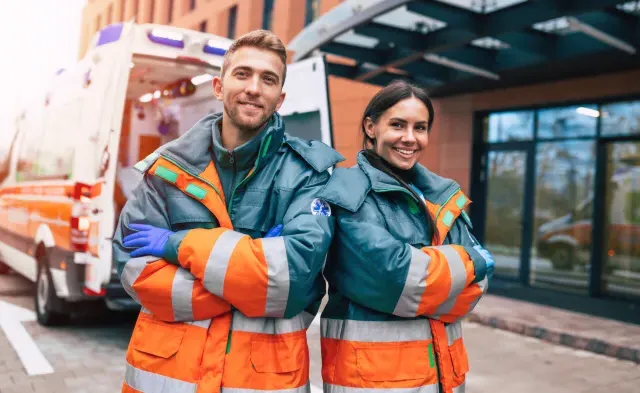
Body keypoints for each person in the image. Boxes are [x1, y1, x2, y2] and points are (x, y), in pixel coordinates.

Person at [113, 29, 343, 393]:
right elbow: (132, 267)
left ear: (279, 98)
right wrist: (250, 275)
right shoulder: (170, 167)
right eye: (243, 74)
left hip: (260, 380)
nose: (254, 87)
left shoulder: (308, 174)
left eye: (268, 79)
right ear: (219, 87)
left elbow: (294, 280)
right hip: (168, 378)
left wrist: (179, 245)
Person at [316, 80, 494, 393]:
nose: (410, 138)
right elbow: (399, 279)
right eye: (398, 125)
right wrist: (471, 262)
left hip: (444, 378)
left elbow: (476, 287)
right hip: (373, 381)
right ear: (371, 127)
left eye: (420, 127)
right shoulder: (349, 193)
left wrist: (437, 277)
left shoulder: (440, 194)